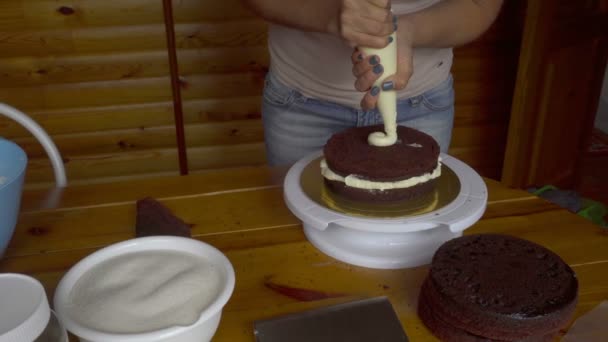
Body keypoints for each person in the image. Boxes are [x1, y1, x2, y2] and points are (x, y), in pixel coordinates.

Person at [243, 0, 504, 166]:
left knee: (412, 234)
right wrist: (329, 15)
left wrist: (407, 30)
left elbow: (481, 4)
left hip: (422, 105)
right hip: (299, 106)